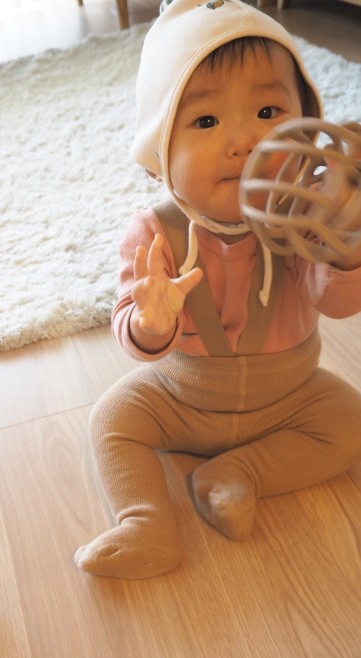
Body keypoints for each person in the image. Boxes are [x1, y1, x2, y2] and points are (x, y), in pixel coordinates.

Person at [74, 0, 361, 580]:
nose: (245, 140)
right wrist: (150, 323)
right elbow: (134, 325)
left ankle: (238, 474)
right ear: (159, 158)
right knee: (111, 420)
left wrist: (345, 245)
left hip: (292, 397)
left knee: (351, 421)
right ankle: (147, 522)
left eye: (267, 110)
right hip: (183, 397)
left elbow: (337, 302)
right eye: (206, 122)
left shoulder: (303, 218)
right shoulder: (154, 231)